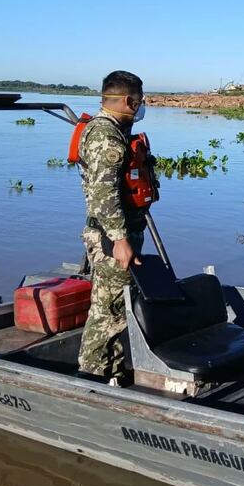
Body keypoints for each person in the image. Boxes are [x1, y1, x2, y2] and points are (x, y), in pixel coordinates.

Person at [77, 70, 152, 384]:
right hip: (112, 236)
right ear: (128, 101)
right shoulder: (106, 136)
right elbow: (103, 194)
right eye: (139, 100)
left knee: (119, 307)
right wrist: (120, 239)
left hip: (122, 231)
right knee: (108, 311)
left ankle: (114, 373)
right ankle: (92, 378)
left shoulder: (117, 132)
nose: (142, 105)